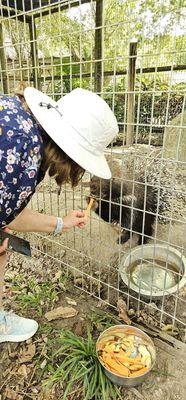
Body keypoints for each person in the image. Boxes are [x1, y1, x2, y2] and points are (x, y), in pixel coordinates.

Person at [0, 86, 118, 343]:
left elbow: (8, 213)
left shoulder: (18, 114)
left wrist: (61, 223)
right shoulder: (24, 148)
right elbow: (7, 216)